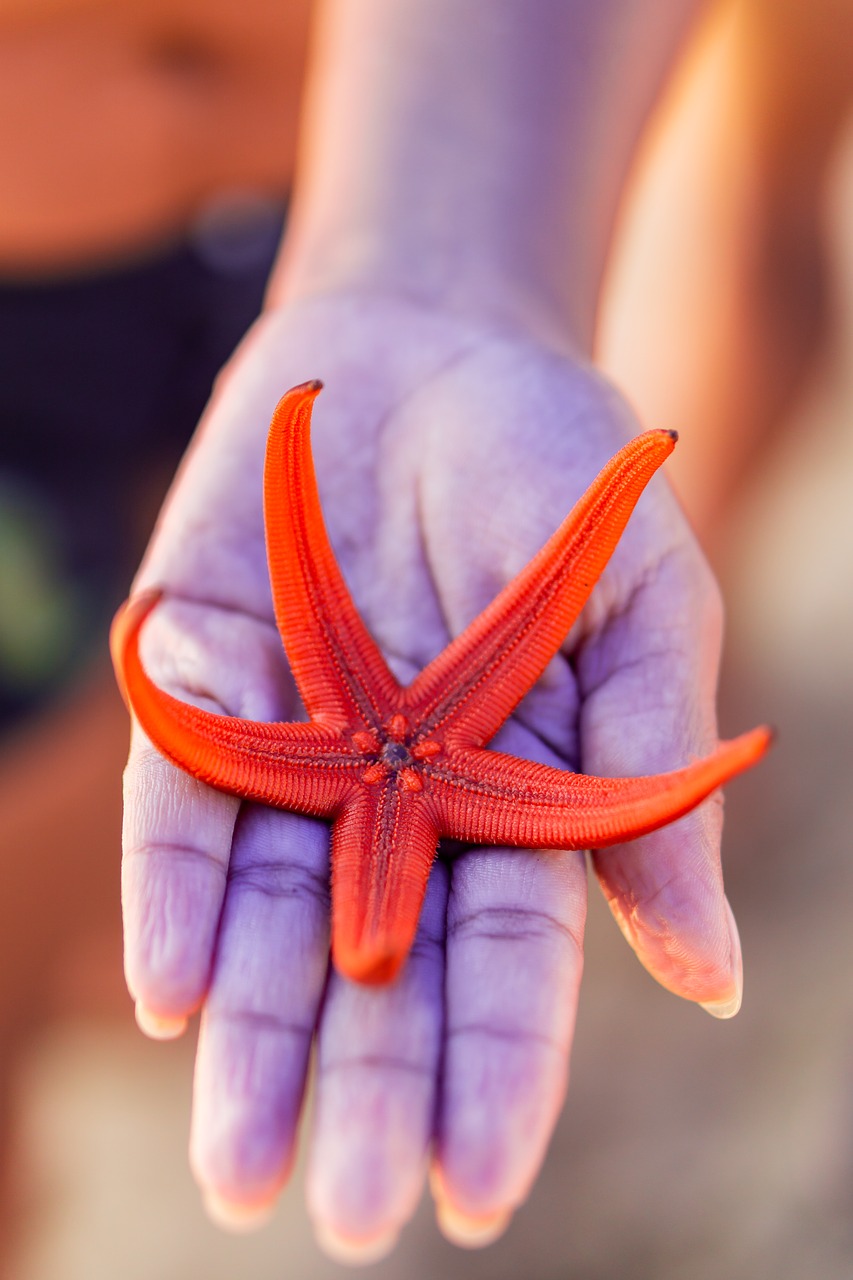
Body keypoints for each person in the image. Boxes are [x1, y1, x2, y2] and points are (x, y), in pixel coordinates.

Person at [2, 0, 846, 1265]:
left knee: (750, 207)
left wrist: (452, 270)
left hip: (393, 155)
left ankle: (701, 647)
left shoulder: (397, 747)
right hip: (41, 293)